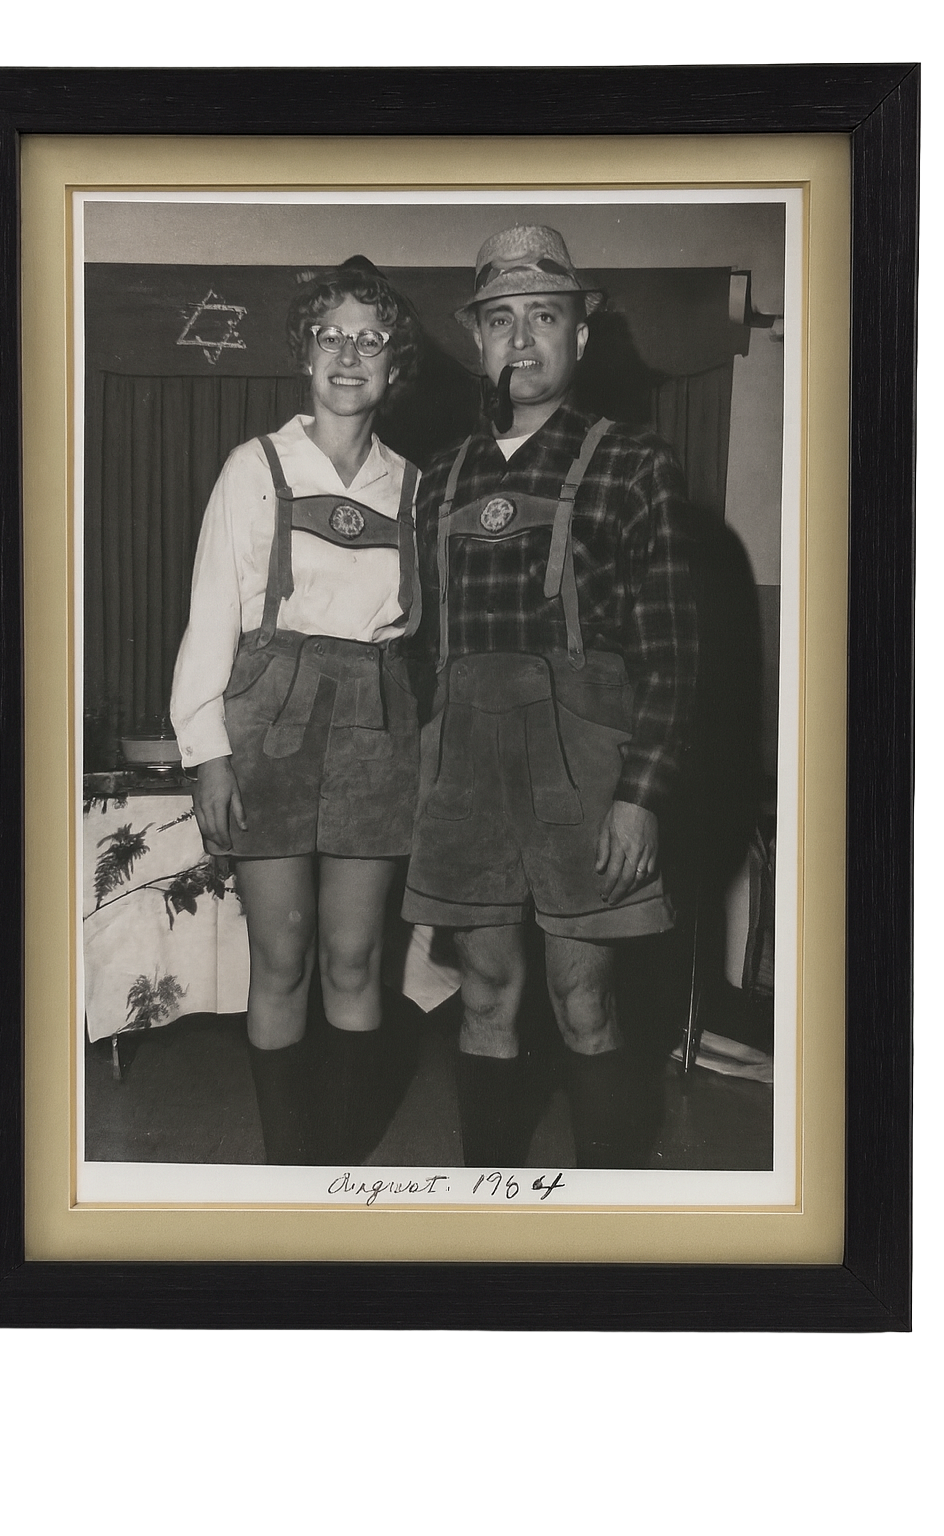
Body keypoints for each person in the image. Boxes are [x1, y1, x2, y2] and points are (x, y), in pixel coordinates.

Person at [401, 225, 698, 1168]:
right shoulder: (437, 478)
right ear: (477, 340)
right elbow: (416, 649)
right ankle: (492, 1221)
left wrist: (640, 795)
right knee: (484, 993)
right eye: (499, 320)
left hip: (587, 775)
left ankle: (609, 1223)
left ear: (580, 335)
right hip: (466, 773)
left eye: (543, 315)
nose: (520, 340)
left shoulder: (635, 464)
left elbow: (674, 654)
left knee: (585, 1000)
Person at [170, 256, 422, 1165]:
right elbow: (210, 620)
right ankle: (290, 1174)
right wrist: (207, 754)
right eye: (331, 336)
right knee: (281, 957)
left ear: (396, 365)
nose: (349, 354)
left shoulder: (415, 485)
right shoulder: (256, 465)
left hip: (376, 725)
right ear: (304, 354)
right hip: (269, 720)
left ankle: (341, 1176)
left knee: (355, 960)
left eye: (371, 339)